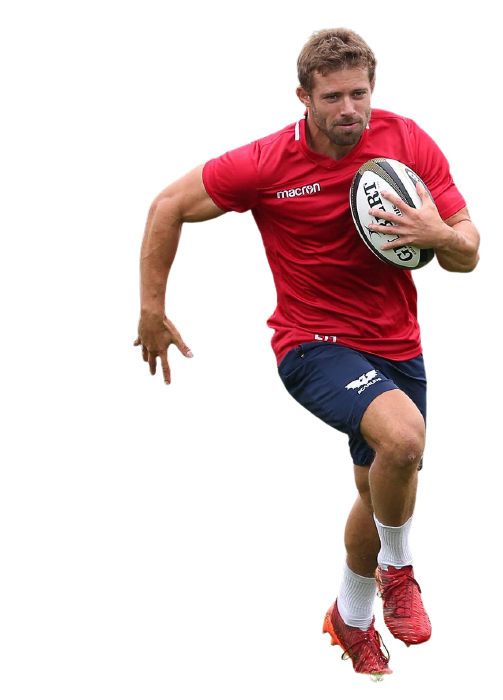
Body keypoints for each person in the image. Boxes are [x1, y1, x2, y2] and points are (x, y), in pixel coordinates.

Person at [133, 26, 480, 682]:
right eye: (332, 97)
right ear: (303, 97)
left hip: (398, 343)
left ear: (373, 88)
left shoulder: (407, 139)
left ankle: (350, 616)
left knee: (376, 486)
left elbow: (467, 253)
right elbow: (167, 205)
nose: (349, 109)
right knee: (405, 440)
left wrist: (438, 233)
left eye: (360, 94)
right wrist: (153, 311)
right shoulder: (267, 162)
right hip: (312, 343)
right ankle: (399, 570)